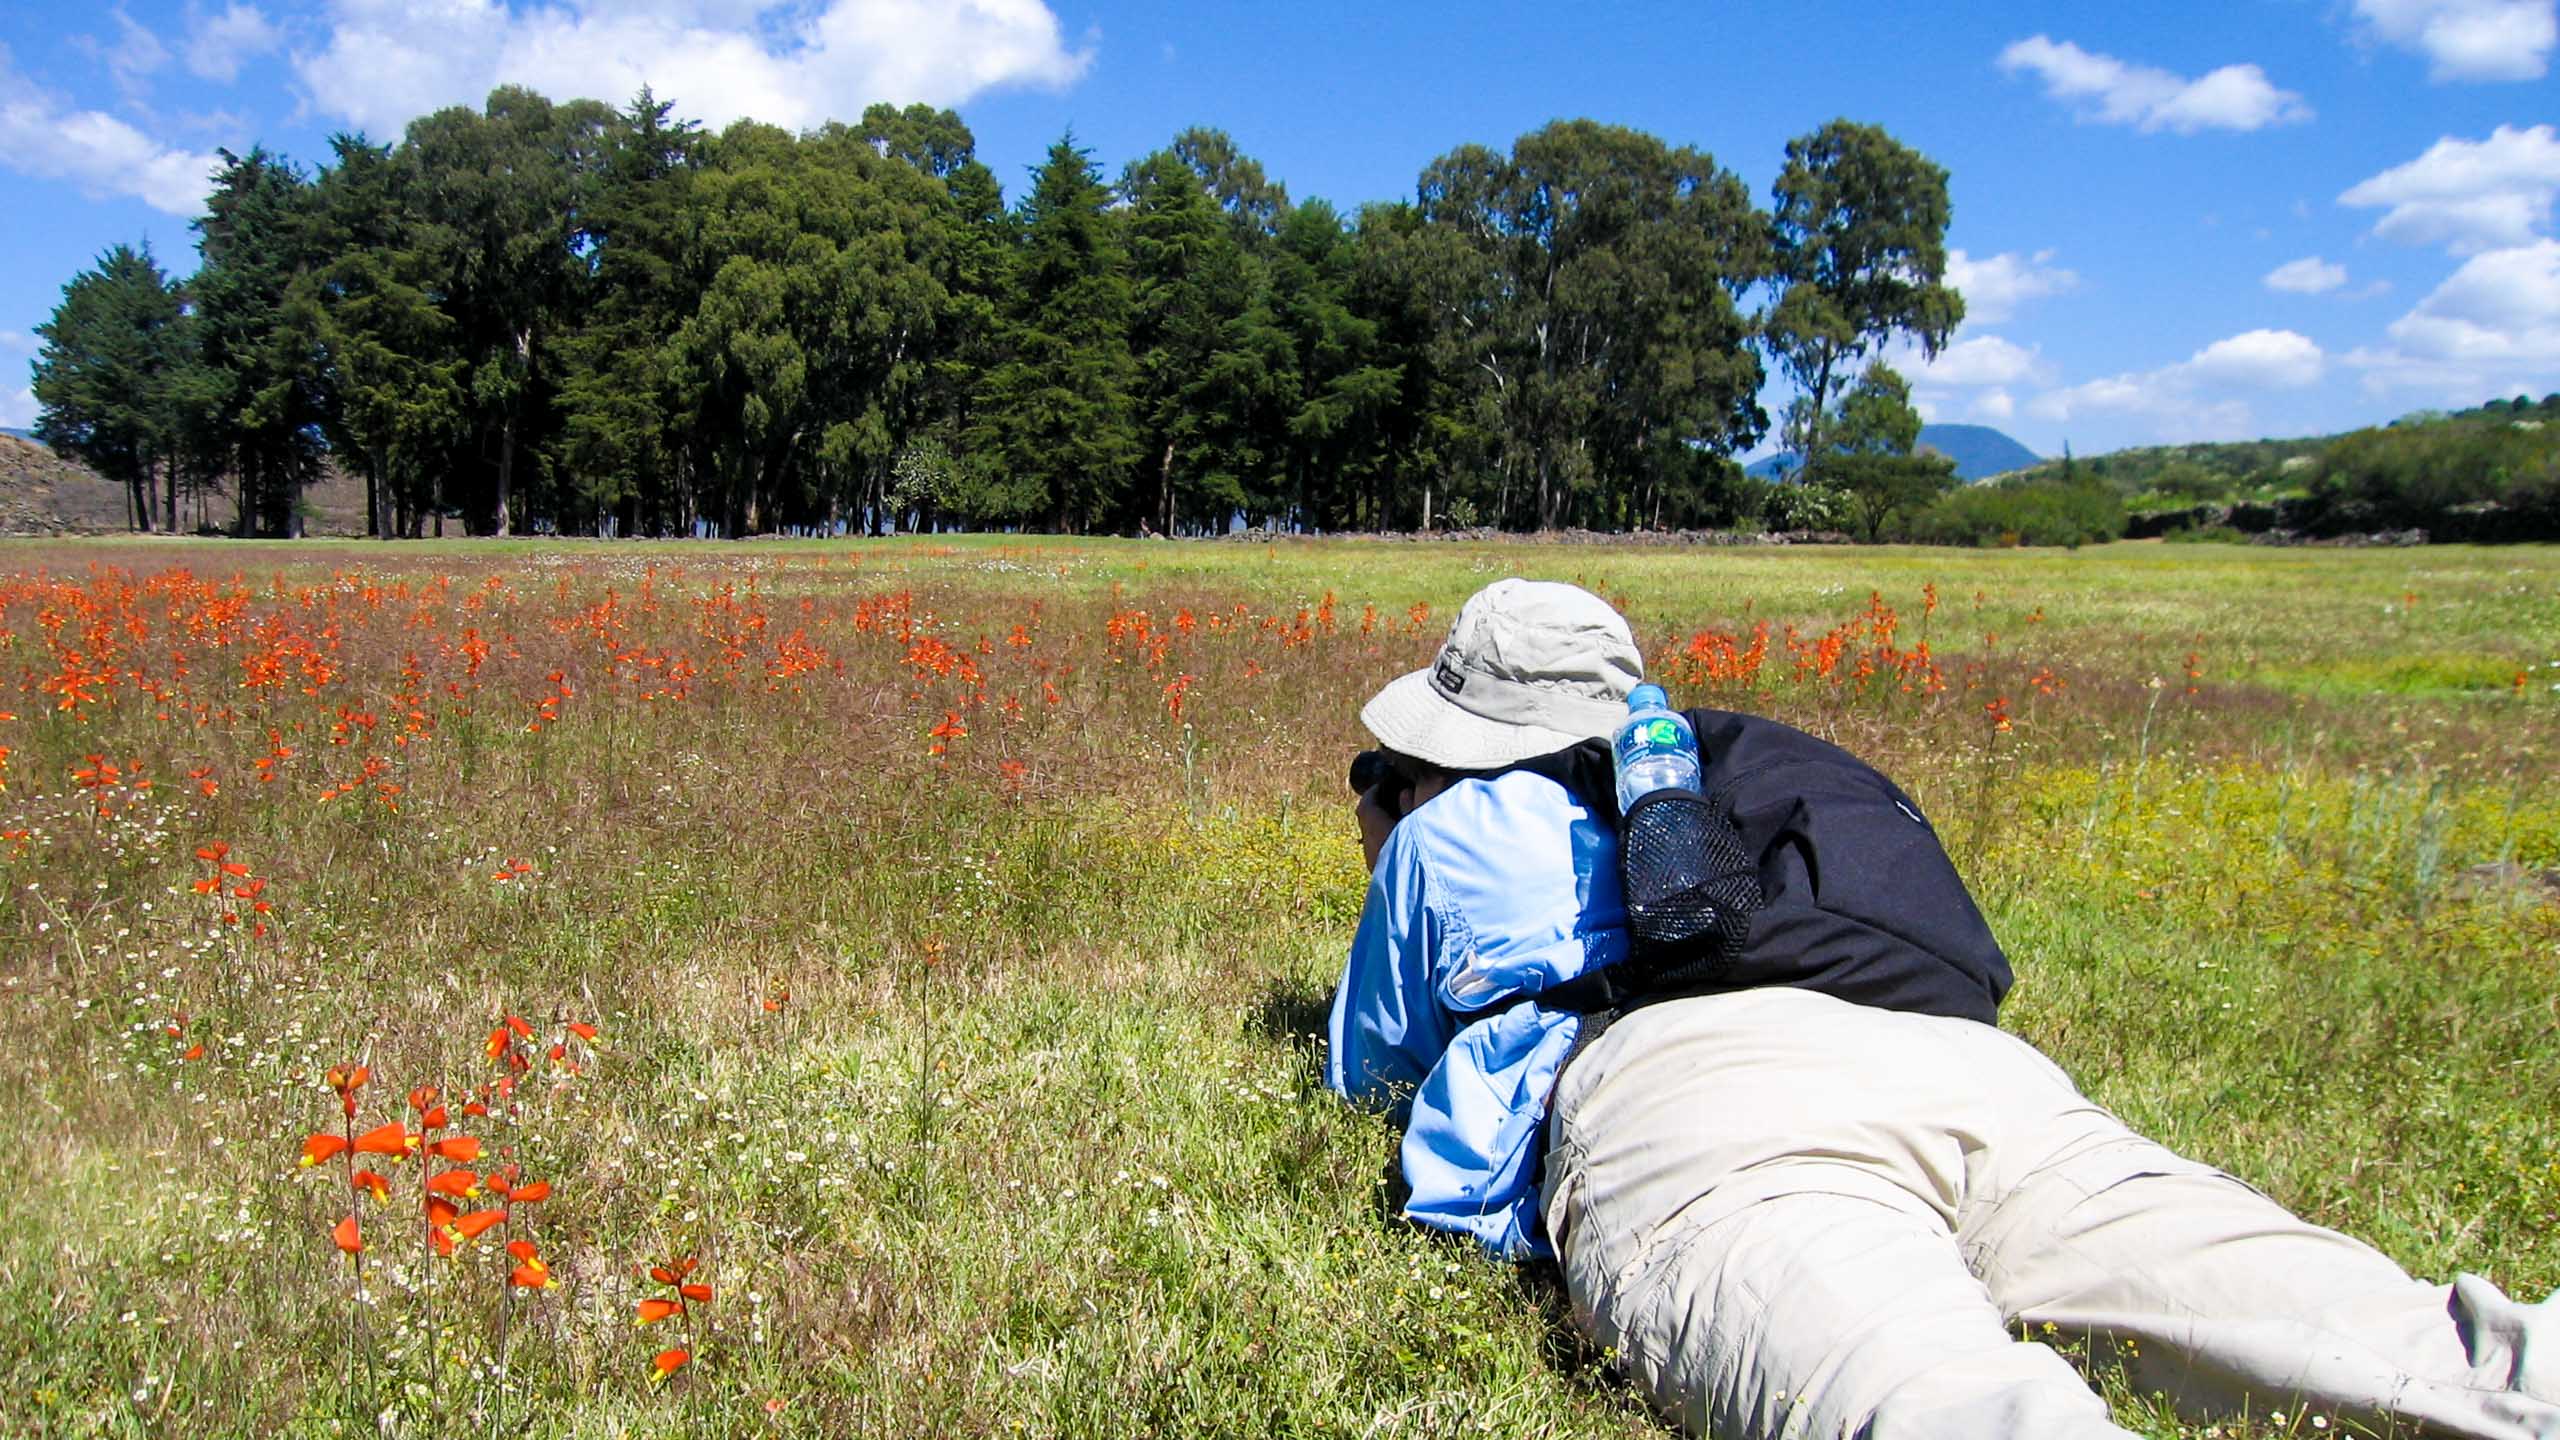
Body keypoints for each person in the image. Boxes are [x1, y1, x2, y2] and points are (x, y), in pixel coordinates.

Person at [1326, 577, 2560, 1440]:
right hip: (1975, 1076)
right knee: (2386, 1335)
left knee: (1942, 1405)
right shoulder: (1746, 776)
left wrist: (1399, 841)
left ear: (1467, 732)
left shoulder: (1453, 830)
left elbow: (1375, 1074)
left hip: (1703, 1111)